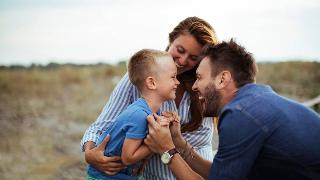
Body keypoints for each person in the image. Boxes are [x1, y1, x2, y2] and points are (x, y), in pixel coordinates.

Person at [144, 39, 320, 180]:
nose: (195, 86)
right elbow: (219, 173)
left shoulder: (240, 114)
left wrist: (166, 150)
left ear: (222, 79)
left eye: (199, 77)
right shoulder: (257, 102)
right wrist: (179, 144)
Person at [80, 16, 219, 179]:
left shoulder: (203, 88)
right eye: (180, 50)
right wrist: (90, 153)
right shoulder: (142, 77)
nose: (182, 60)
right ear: (171, 40)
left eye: (193, 58)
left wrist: (167, 142)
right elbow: (104, 125)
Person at [86, 49, 180, 179]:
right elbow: (128, 158)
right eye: (173, 77)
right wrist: (156, 143)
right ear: (152, 83)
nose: (177, 82)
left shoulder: (152, 111)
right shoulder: (138, 115)